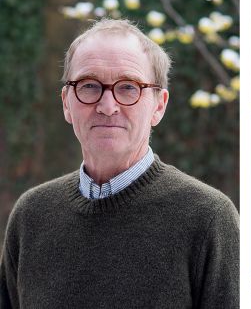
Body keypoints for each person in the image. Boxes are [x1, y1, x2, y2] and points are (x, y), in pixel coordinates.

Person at [0, 19, 239, 308]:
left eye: (128, 87)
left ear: (159, 105)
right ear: (66, 102)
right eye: (89, 86)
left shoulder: (208, 218)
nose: (107, 105)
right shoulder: (31, 216)